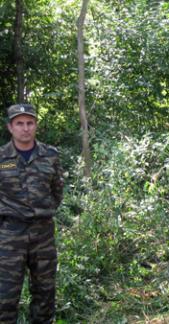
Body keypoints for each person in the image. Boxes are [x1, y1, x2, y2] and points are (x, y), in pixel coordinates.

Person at [0, 104, 64, 323]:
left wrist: (41, 212)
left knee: (45, 293)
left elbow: (57, 192)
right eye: (19, 123)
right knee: (5, 296)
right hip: (10, 234)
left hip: (43, 233)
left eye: (30, 123)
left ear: (36, 125)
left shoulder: (50, 155)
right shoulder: (1, 157)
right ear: (10, 127)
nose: (25, 128)